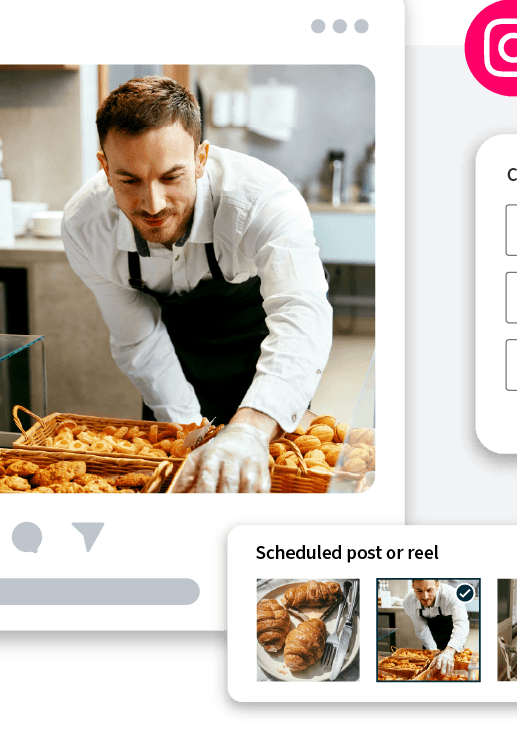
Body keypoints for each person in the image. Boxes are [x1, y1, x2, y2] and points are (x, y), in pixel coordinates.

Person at [62, 77, 331, 493]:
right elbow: (140, 341)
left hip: (259, 351)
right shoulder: (85, 225)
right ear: (105, 168)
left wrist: (251, 430)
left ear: (201, 158)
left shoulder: (262, 199)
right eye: (129, 180)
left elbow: (300, 314)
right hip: (173, 358)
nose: (153, 204)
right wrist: (191, 432)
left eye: (171, 177)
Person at [402, 579, 470, 675]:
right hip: (430, 637)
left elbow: (461, 624)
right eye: (419, 591)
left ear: (437, 585)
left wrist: (449, 651)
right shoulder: (409, 601)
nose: (425, 597)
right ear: (413, 587)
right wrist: (434, 652)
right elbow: (422, 629)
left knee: (454, 673)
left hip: (452, 636)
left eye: (429, 590)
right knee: (431, 674)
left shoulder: (452, 596)